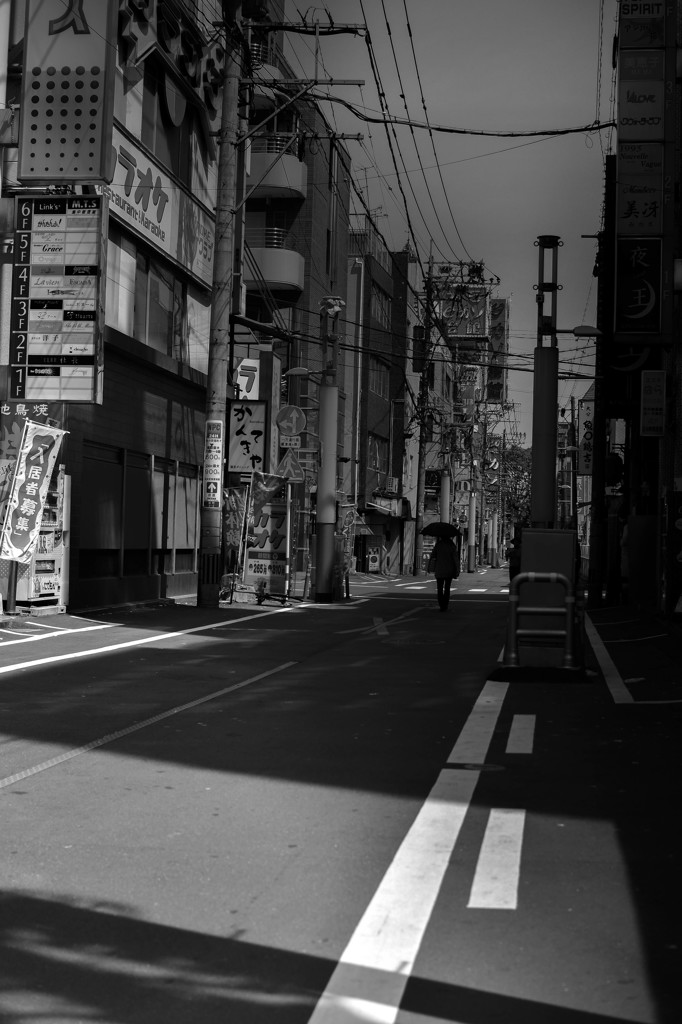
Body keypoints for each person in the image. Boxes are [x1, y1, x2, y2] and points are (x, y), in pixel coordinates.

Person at [427, 534, 460, 611]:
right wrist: (457, 570)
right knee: (447, 588)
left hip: (439, 569)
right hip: (449, 570)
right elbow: (455, 559)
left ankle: (441, 604)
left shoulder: (438, 545)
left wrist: (429, 567)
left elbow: (433, 556)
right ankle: (445, 604)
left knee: (440, 588)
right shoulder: (452, 546)